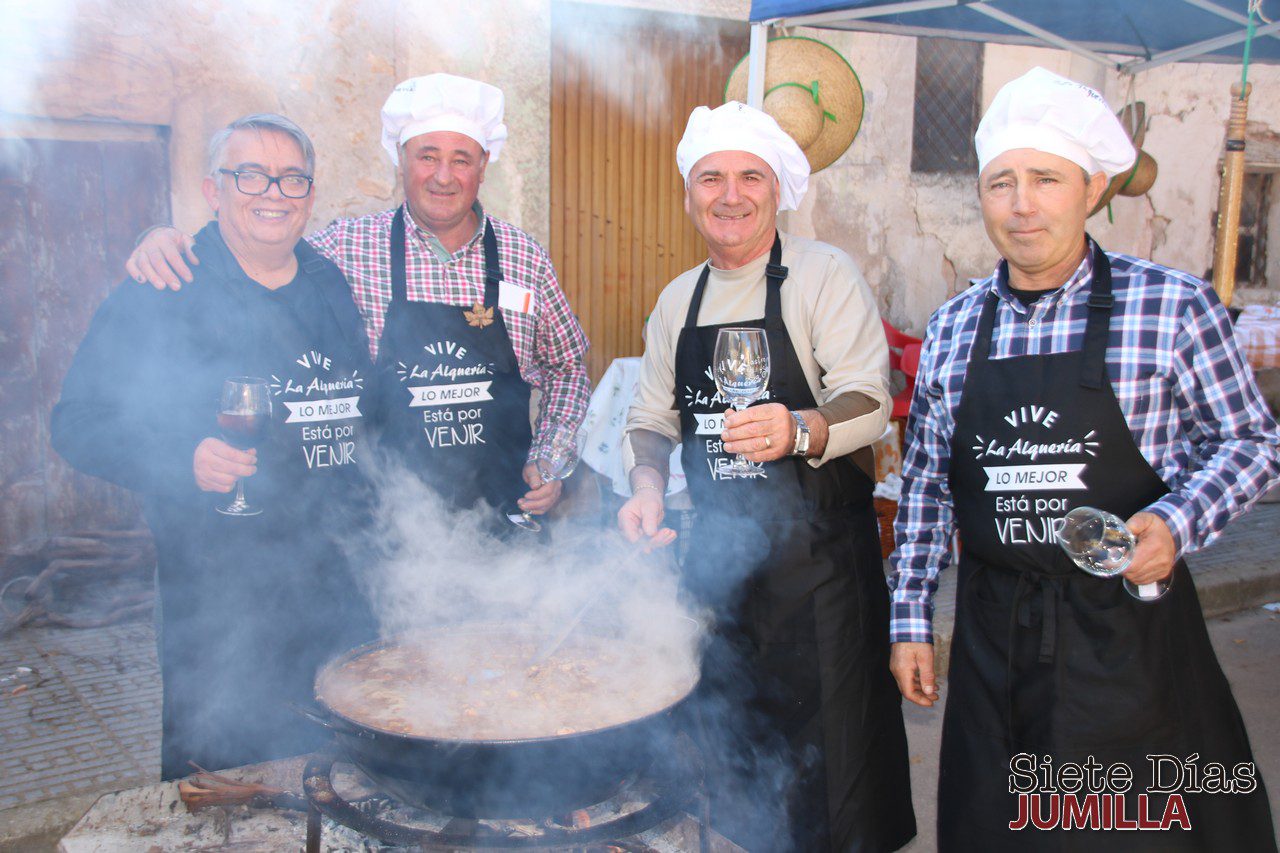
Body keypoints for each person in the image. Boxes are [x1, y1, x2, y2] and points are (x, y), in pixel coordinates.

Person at [888, 67, 1280, 851]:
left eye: (1045, 179)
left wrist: (1173, 522)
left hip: (1126, 634)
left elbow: (1251, 442)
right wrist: (910, 620)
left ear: (1092, 187)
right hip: (995, 631)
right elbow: (929, 485)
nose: (1021, 204)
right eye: (1001, 182)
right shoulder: (957, 325)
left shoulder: (1172, 305)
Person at [617, 101, 916, 852]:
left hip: (819, 575)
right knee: (734, 759)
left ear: (777, 190)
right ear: (689, 193)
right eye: (711, 178)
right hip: (721, 573)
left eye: (751, 176)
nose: (730, 194)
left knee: (836, 782)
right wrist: (648, 487)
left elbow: (870, 399)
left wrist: (799, 426)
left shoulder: (823, 275)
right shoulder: (677, 301)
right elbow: (652, 418)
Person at [52, 114, 377, 779]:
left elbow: (357, 418)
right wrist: (181, 458)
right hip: (220, 597)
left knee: (343, 774)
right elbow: (76, 422)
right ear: (214, 188)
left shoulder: (328, 284)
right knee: (226, 786)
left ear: (310, 194)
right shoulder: (164, 287)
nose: (274, 191)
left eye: (292, 177)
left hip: (334, 587)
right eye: (251, 173)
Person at [126, 74, 590, 527]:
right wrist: (167, 238)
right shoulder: (346, 247)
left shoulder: (523, 257)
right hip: (392, 524)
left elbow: (566, 365)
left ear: (484, 165)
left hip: (507, 511)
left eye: (462, 159)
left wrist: (549, 458)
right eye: (427, 156)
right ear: (401, 160)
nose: (443, 177)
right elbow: (258, 245)